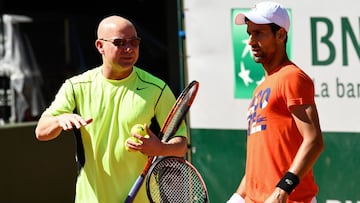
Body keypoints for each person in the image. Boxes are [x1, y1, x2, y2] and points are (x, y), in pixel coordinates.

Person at [35, 15, 188, 203]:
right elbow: (41, 132)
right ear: (100, 46)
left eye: (134, 42)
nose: (129, 49)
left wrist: (160, 148)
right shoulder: (76, 87)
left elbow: (180, 146)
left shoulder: (157, 90)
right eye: (119, 43)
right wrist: (59, 120)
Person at [227, 1, 325, 203]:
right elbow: (261, 161)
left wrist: (282, 190)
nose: (251, 41)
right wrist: (237, 198)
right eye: (250, 34)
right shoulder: (260, 88)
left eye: (259, 33)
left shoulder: (292, 77)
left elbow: (314, 141)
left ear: (280, 35)